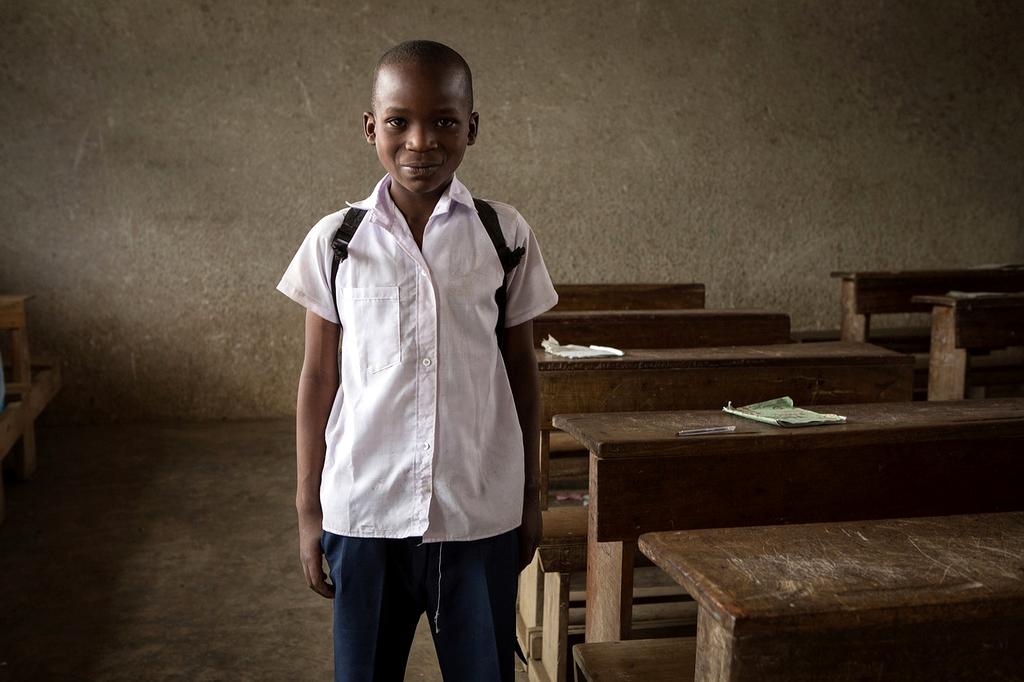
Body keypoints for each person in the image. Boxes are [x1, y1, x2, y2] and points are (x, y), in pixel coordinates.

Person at [276, 40, 558, 681]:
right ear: (370, 127)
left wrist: (529, 495)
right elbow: (318, 378)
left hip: (476, 510)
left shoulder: (503, 234)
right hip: (365, 511)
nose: (421, 142)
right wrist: (308, 510)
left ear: (472, 128)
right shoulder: (337, 239)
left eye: (445, 122)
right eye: (399, 121)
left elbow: (521, 369)